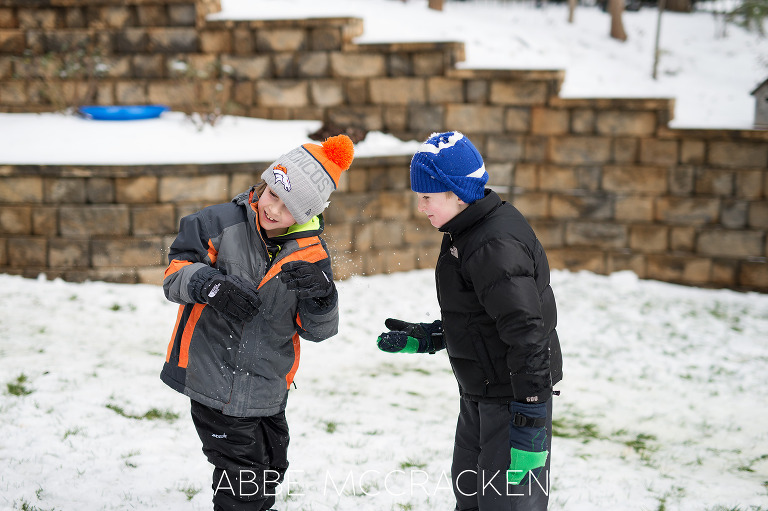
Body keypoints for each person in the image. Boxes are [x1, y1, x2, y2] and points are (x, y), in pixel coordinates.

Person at [161, 134, 354, 511]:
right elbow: (174, 275)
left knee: (270, 470)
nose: (274, 208)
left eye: (289, 206)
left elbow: (319, 331)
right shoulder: (217, 223)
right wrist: (210, 285)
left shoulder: (312, 254)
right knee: (243, 482)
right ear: (265, 182)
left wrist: (323, 297)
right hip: (213, 380)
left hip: (268, 388)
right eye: (273, 194)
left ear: (306, 213)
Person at [376, 131, 562, 510]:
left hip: (513, 400)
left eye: (427, 196)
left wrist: (529, 415)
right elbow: (483, 316)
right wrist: (427, 338)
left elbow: (527, 332)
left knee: (507, 503)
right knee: (472, 496)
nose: (421, 206)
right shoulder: (467, 231)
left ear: (456, 193)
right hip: (483, 391)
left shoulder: (493, 244)